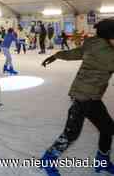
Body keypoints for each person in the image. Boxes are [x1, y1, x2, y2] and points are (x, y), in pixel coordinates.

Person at [39, 19, 114, 176]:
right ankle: (48, 159)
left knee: (107, 128)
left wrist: (57, 55)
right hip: (83, 96)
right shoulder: (106, 53)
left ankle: (102, 161)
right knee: (72, 133)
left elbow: (75, 53)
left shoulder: (92, 44)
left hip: (92, 96)